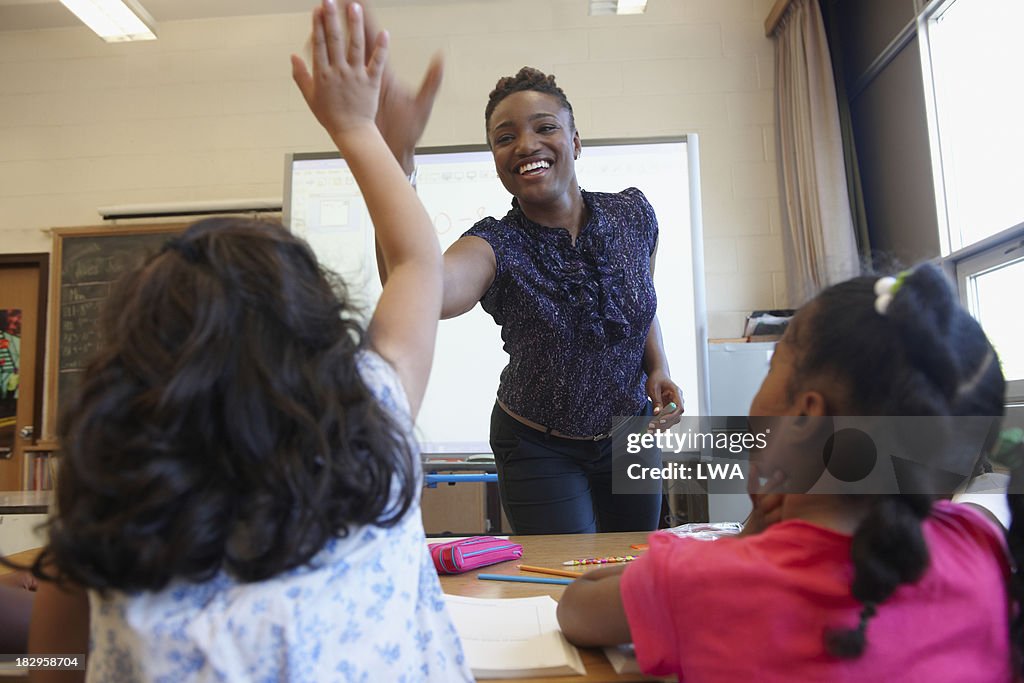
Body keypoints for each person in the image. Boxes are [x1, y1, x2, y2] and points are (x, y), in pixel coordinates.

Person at [22, 2, 471, 680]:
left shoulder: (105, 503)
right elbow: (419, 264)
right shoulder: (371, 432)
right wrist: (360, 129)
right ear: (314, 335)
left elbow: (50, 663)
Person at [556, 263, 1014, 680]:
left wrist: (745, 541)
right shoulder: (981, 542)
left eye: (774, 364)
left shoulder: (705, 580)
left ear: (805, 418)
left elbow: (577, 609)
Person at [369, 49, 684, 534]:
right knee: (563, 579)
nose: (525, 144)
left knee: (634, 567)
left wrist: (658, 367)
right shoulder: (497, 244)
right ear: (496, 159)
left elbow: (640, 302)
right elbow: (416, 287)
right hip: (541, 444)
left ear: (575, 142)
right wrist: (396, 161)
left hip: (631, 433)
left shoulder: (633, 214)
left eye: (545, 127)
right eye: (505, 137)